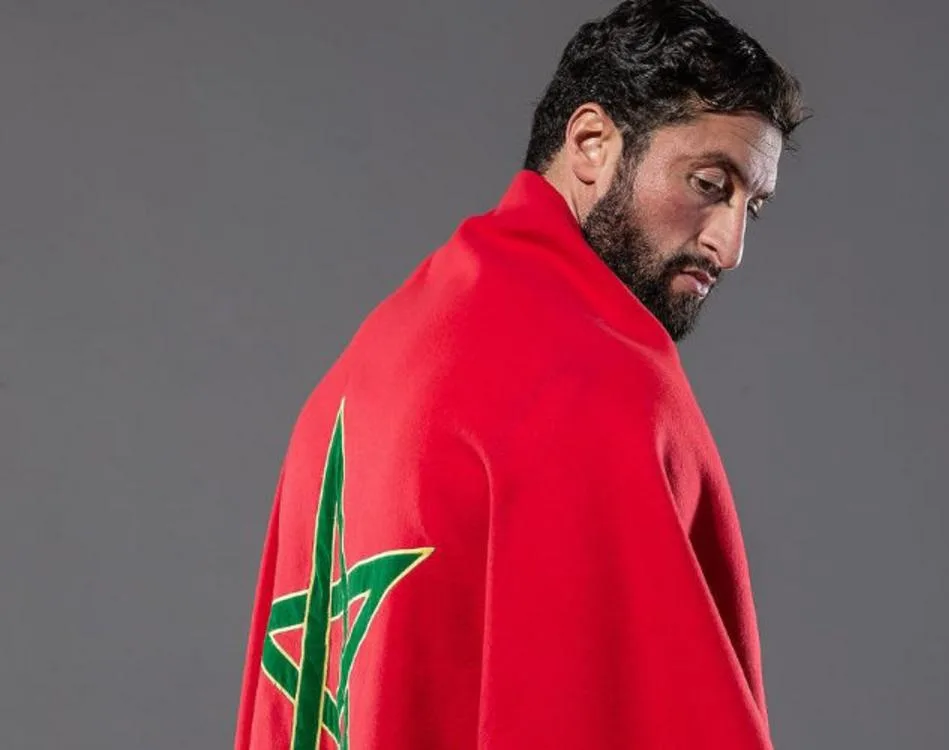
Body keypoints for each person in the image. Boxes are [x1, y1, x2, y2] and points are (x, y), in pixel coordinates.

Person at [233, 0, 807, 747]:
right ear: (593, 144)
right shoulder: (601, 380)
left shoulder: (369, 361)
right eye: (708, 183)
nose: (729, 247)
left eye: (750, 209)